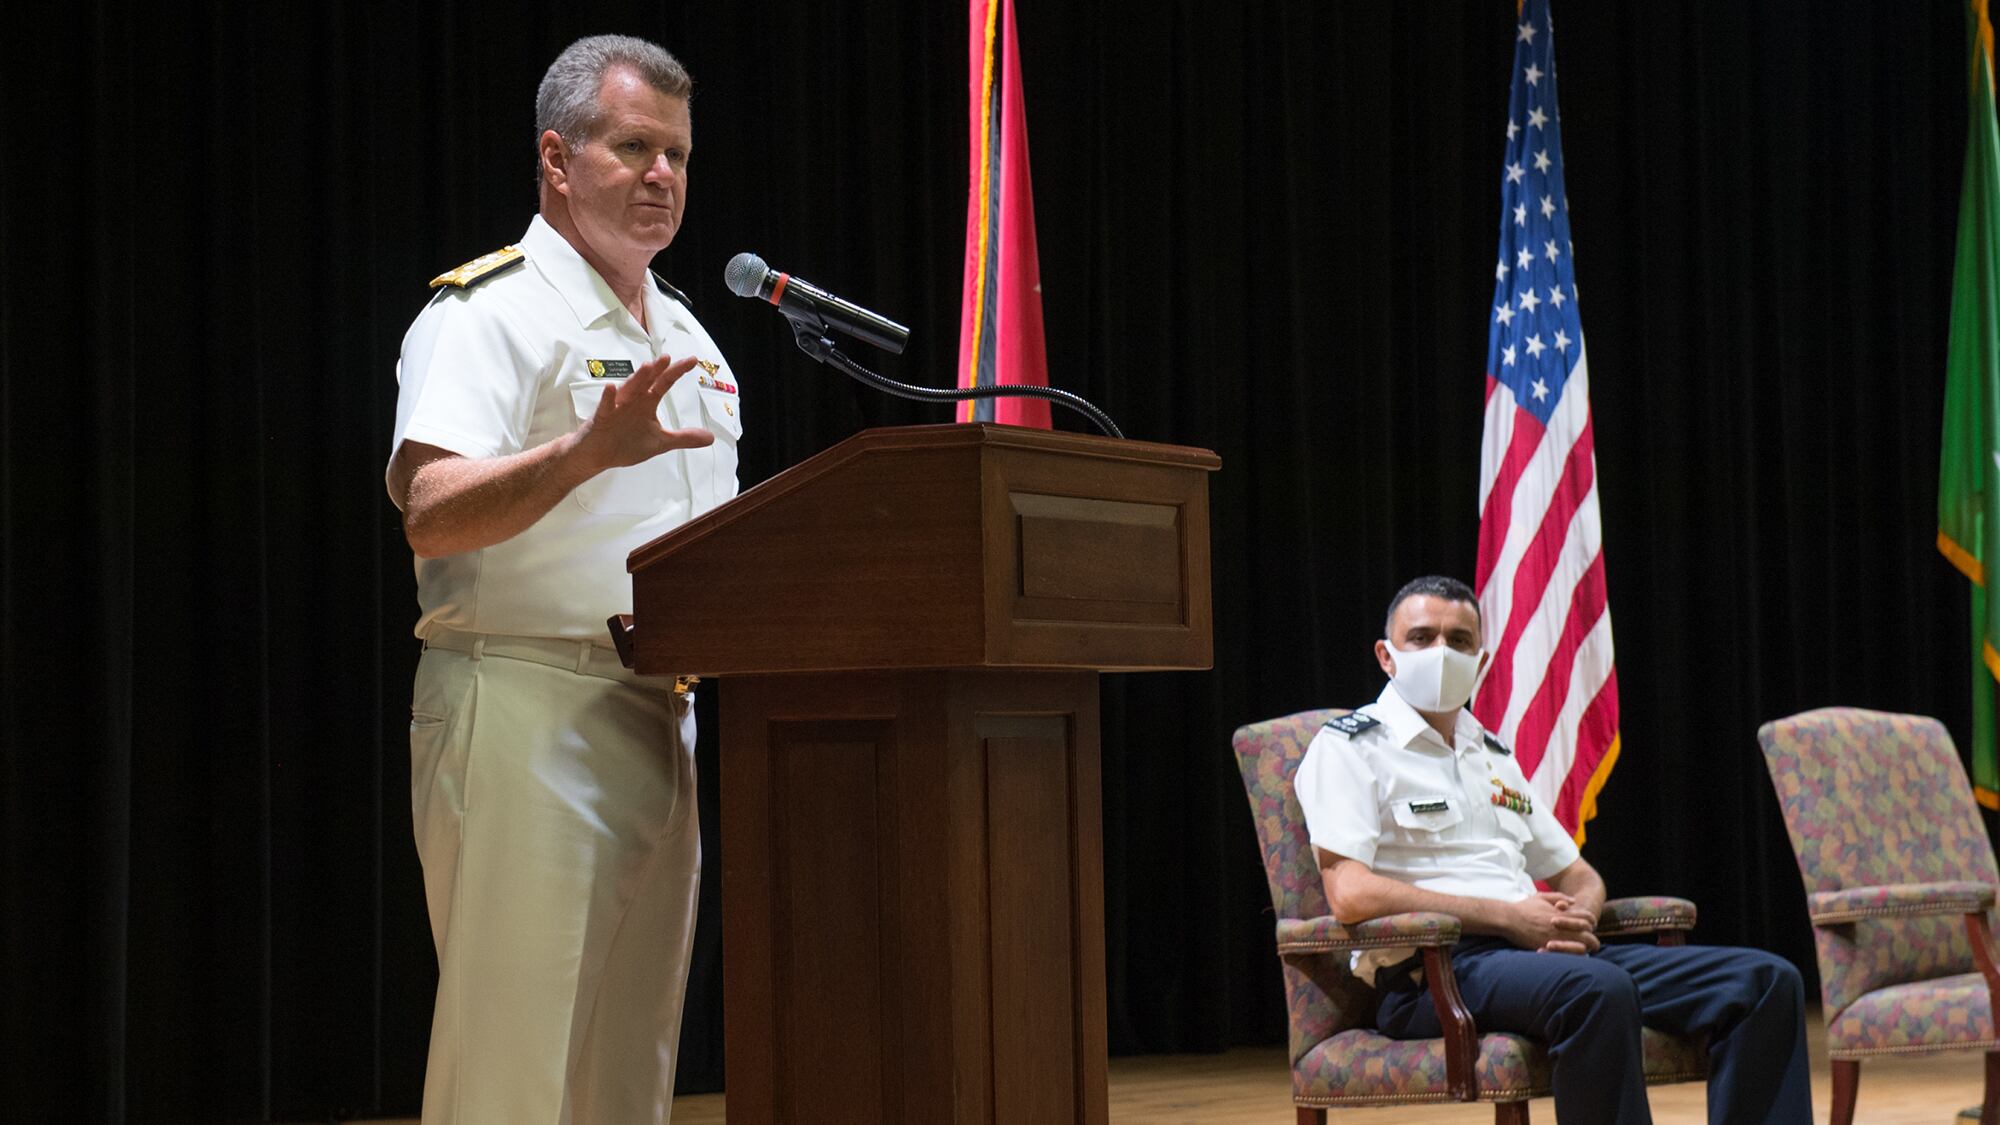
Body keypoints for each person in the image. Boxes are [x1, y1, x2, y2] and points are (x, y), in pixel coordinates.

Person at [383, 34, 740, 1125]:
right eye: (632, 146)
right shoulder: (486, 313)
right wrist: (580, 455)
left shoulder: (686, 332)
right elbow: (430, 511)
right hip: (522, 704)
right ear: (556, 157)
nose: (661, 175)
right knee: (515, 1059)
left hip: (659, 712)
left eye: (676, 153)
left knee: (629, 1060)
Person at [1293, 576, 1811, 1125]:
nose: (1441, 653)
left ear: (1481, 658)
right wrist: (1509, 917)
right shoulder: (1350, 747)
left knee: (1767, 982)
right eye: (1422, 638)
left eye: (1459, 640)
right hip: (1434, 971)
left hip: (1539, 957)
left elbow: (1576, 873)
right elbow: (1349, 893)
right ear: (1387, 656)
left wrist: (1579, 918)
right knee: (1597, 989)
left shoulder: (1490, 752)